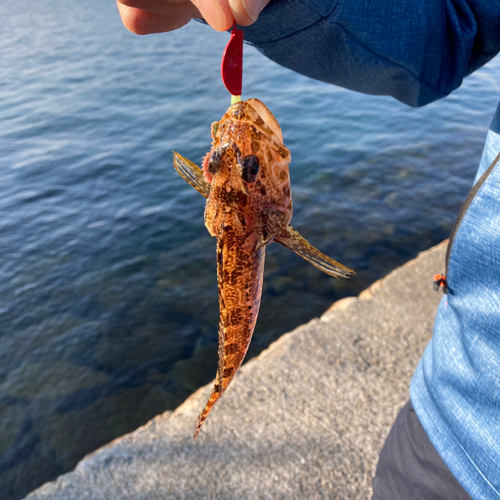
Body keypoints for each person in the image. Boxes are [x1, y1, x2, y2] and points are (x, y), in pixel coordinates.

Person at [115, 1, 500, 498]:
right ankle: (216, 391)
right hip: (448, 420)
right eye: (218, 157)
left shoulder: (262, 217)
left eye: (249, 167)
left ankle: (213, 395)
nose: (235, 144)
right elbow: (453, 19)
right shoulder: (261, 211)